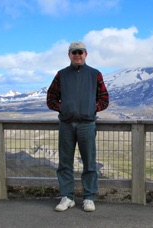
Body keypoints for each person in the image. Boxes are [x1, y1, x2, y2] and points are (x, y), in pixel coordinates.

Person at [46, 41, 109, 212]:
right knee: (65, 163)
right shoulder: (61, 75)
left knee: (89, 163)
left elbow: (104, 99)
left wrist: (92, 108)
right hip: (66, 125)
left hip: (87, 125)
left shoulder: (95, 74)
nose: (77, 55)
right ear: (69, 55)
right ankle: (67, 197)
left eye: (80, 52)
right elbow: (50, 98)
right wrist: (63, 108)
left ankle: (89, 197)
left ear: (86, 54)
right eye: (74, 52)